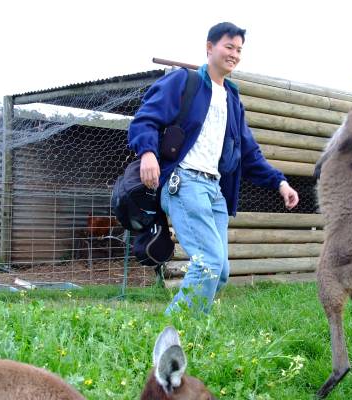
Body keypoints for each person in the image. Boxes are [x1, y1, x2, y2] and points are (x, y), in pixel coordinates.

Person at [127, 22, 299, 314]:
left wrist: (279, 182)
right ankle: (175, 332)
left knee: (219, 272)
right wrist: (148, 153)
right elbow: (145, 119)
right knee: (207, 261)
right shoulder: (184, 82)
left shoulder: (232, 99)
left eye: (239, 50)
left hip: (214, 191)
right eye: (228, 47)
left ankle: (187, 330)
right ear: (210, 47)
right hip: (184, 181)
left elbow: (249, 152)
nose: (234, 54)